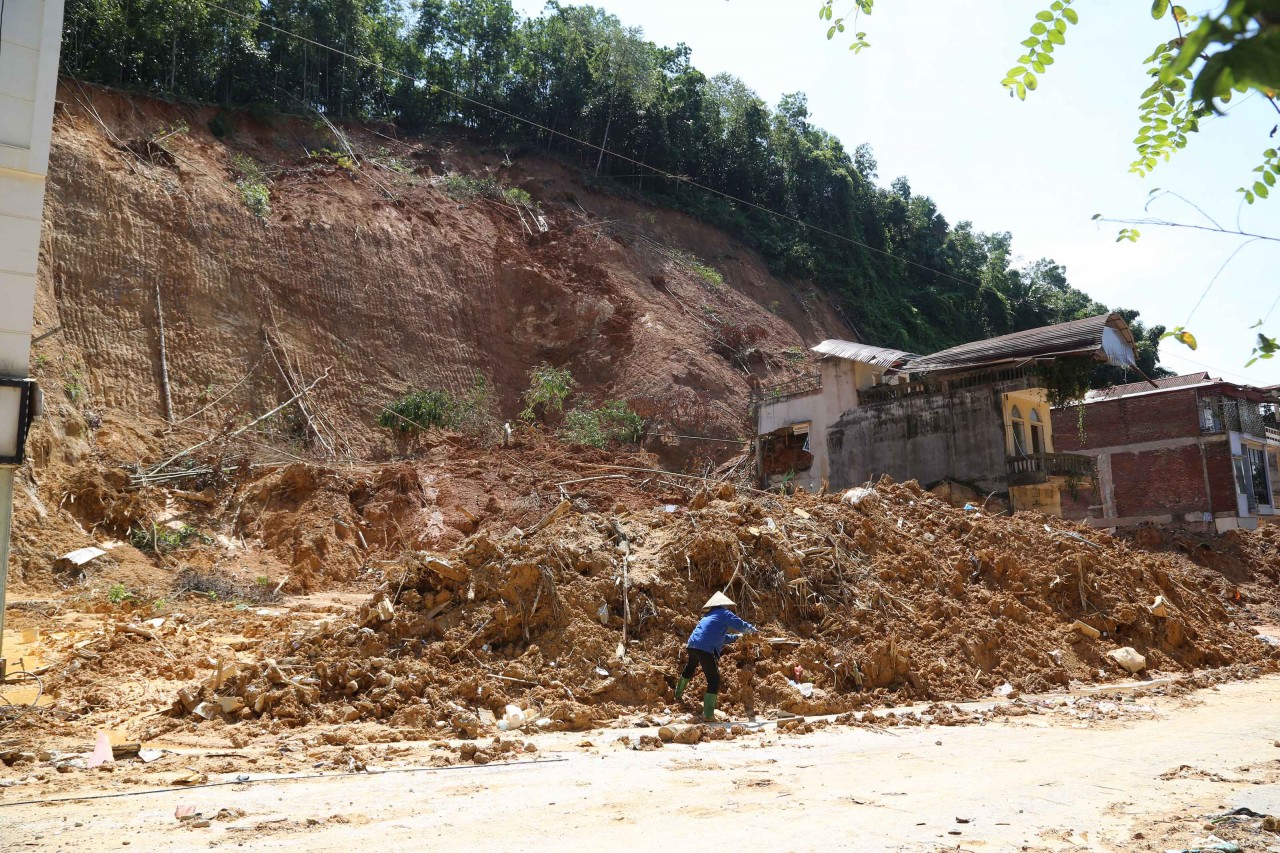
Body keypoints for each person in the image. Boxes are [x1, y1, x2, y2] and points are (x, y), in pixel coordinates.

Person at [675, 592, 758, 721]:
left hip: (692, 645)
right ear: (723, 605)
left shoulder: (708, 616)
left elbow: (721, 638)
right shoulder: (724, 613)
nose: (728, 608)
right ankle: (708, 714)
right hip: (706, 648)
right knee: (713, 679)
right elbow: (740, 624)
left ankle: (677, 694)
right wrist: (753, 631)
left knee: (690, 668)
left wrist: (736, 637)